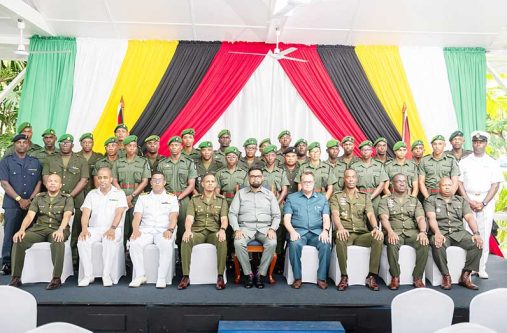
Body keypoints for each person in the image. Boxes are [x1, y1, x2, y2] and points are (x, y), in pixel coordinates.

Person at [9, 174, 73, 290]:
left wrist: (60, 230)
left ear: (60, 185)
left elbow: (67, 215)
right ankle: (16, 277)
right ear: (46, 184)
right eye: (50, 181)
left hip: (57, 228)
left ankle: (56, 278)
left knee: (57, 240)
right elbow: (30, 216)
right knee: (19, 239)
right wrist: (22, 229)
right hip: (39, 229)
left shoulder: (67, 198)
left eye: (55, 181)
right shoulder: (39, 197)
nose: (52, 183)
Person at [458, 131, 504, 279]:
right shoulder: (464, 161)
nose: (478, 144)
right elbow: (459, 183)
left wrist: (483, 203)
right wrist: (468, 200)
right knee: (468, 234)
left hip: (486, 199)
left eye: (481, 142)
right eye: (475, 142)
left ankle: (481, 267)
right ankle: (468, 268)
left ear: (486, 143)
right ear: (472, 143)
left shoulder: (492, 162)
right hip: (468, 198)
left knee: (483, 233)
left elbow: (495, 185)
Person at [330, 169, 384, 291]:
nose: (350, 179)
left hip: (361, 234)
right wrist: (340, 228)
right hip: (345, 232)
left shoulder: (364, 197)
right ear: (344, 179)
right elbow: (335, 214)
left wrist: (375, 228)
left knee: (378, 237)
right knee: (340, 238)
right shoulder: (337, 196)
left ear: (356, 179)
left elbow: (370, 214)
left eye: (353, 177)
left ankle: (371, 276)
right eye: (348, 177)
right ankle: (344, 276)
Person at [425, 177, 483, 290]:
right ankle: (446, 276)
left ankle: (465, 276)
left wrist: (476, 233)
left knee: (477, 243)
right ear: (439, 187)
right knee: (437, 244)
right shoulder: (431, 200)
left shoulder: (460, 200)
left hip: (459, 233)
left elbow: (469, 217)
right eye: (444, 185)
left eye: (449, 185)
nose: (447, 187)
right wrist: (436, 233)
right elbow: (431, 218)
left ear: (453, 186)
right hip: (441, 233)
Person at [229, 166, 281, 289]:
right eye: (252, 176)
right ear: (249, 178)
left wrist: (273, 228)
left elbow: (277, 215)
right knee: (238, 242)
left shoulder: (269, 195)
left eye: (258, 176)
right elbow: (232, 213)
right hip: (245, 228)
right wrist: (236, 229)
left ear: (262, 178)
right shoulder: (240, 194)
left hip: (265, 228)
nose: (255, 179)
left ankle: (260, 274)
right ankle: (249, 274)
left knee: (272, 242)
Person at [43, 134, 89, 270]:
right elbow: (46, 177)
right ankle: (58, 260)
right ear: (59, 144)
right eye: (63, 142)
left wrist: (69, 196)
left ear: (72, 145)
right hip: (54, 199)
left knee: (76, 229)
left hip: (77, 199)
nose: (65, 145)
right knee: (56, 226)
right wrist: (58, 194)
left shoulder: (81, 160)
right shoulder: (50, 159)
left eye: (68, 143)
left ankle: (74, 260)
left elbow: (84, 180)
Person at [77, 167, 128, 287]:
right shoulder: (91, 194)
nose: (102, 180)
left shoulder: (119, 194)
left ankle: (106, 275)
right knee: (82, 240)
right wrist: (84, 229)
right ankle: (88, 275)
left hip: (113, 228)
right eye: (100, 177)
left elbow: (119, 213)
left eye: (105, 177)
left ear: (111, 179)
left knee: (108, 240)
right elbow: (85, 214)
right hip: (94, 229)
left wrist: (112, 228)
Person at [0, 134, 42, 275]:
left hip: (31, 204)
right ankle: (7, 263)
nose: (22, 144)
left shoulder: (35, 162)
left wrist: (30, 199)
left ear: (28, 145)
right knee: (10, 234)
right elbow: (4, 183)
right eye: (19, 142)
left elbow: (39, 183)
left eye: (25, 142)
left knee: (29, 234)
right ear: (14, 145)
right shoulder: (6, 162)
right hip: (12, 204)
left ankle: (27, 263)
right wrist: (19, 199)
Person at [129, 172, 179, 289]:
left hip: (163, 230)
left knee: (166, 244)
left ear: (164, 182)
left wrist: (170, 229)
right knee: (134, 242)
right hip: (146, 230)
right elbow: (137, 217)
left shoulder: (171, 198)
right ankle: (140, 275)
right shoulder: (143, 197)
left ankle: (161, 277)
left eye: (159, 180)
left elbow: (173, 217)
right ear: (150, 183)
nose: (157, 182)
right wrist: (135, 230)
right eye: (154, 180)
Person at [378, 174, 429, 290]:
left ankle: (418, 277)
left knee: (424, 243)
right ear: (392, 184)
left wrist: (422, 232)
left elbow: (421, 218)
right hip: (394, 231)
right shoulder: (385, 200)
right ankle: (395, 276)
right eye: (399, 181)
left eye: (404, 181)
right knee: (392, 243)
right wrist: (390, 231)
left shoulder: (414, 200)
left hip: (412, 232)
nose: (402, 184)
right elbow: (384, 218)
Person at [179, 174, 228, 290]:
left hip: (213, 232)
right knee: (186, 239)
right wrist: (187, 230)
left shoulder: (221, 200)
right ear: (202, 184)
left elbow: (224, 219)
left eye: (212, 181)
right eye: (207, 181)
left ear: (216, 184)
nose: (210, 183)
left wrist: (222, 230)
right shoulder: (194, 199)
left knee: (222, 240)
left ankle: (220, 276)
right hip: (198, 231)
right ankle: (186, 276)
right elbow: (189, 217)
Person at [284, 171, 332, 289]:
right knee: (294, 245)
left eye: (310, 181)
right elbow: (286, 219)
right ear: (301, 183)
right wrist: (292, 232)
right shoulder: (292, 198)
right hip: (299, 232)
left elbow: (326, 217)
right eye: (305, 181)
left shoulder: (322, 199)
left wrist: (325, 231)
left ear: (314, 183)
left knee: (326, 244)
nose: (307, 184)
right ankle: (297, 277)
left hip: (317, 233)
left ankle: (321, 278)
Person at [157, 136, 197, 251]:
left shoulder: (188, 163)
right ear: (169, 147)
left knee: (184, 227)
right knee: (166, 225)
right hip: (166, 199)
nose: (174, 147)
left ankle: (182, 255)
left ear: (181, 147)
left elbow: (191, 185)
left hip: (184, 199)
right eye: (172, 145)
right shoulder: (162, 164)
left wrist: (179, 198)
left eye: (177, 145)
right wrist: (170, 198)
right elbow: (159, 183)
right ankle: (168, 254)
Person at [112, 135, 150, 248]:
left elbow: (145, 181)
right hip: (120, 195)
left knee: (136, 225)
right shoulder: (118, 162)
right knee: (121, 225)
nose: (132, 148)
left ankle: (133, 255)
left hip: (137, 196)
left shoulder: (143, 162)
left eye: (134, 146)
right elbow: (114, 180)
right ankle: (121, 253)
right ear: (124, 147)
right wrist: (123, 196)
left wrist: (132, 196)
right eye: (129, 146)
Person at [350, 140, 388, 216]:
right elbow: (351, 183)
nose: (365, 152)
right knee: (360, 220)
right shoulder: (354, 166)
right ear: (360, 151)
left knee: (375, 221)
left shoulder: (379, 165)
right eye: (363, 150)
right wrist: (360, 196)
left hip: (375, 198)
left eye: (368, 150)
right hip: (358, 196)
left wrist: (371, 197)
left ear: (371, 151)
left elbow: (381, 185)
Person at [418, 135, 460, 199]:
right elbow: (421, 182)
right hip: (429, 195)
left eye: (440, 144)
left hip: (447, 195)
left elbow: (455, 182)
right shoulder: (424, 160)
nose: (437, 146)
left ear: (444, 145)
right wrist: (427, 198)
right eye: (435, 144)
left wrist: (449, 197)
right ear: (432, 145)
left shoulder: (451, 160)